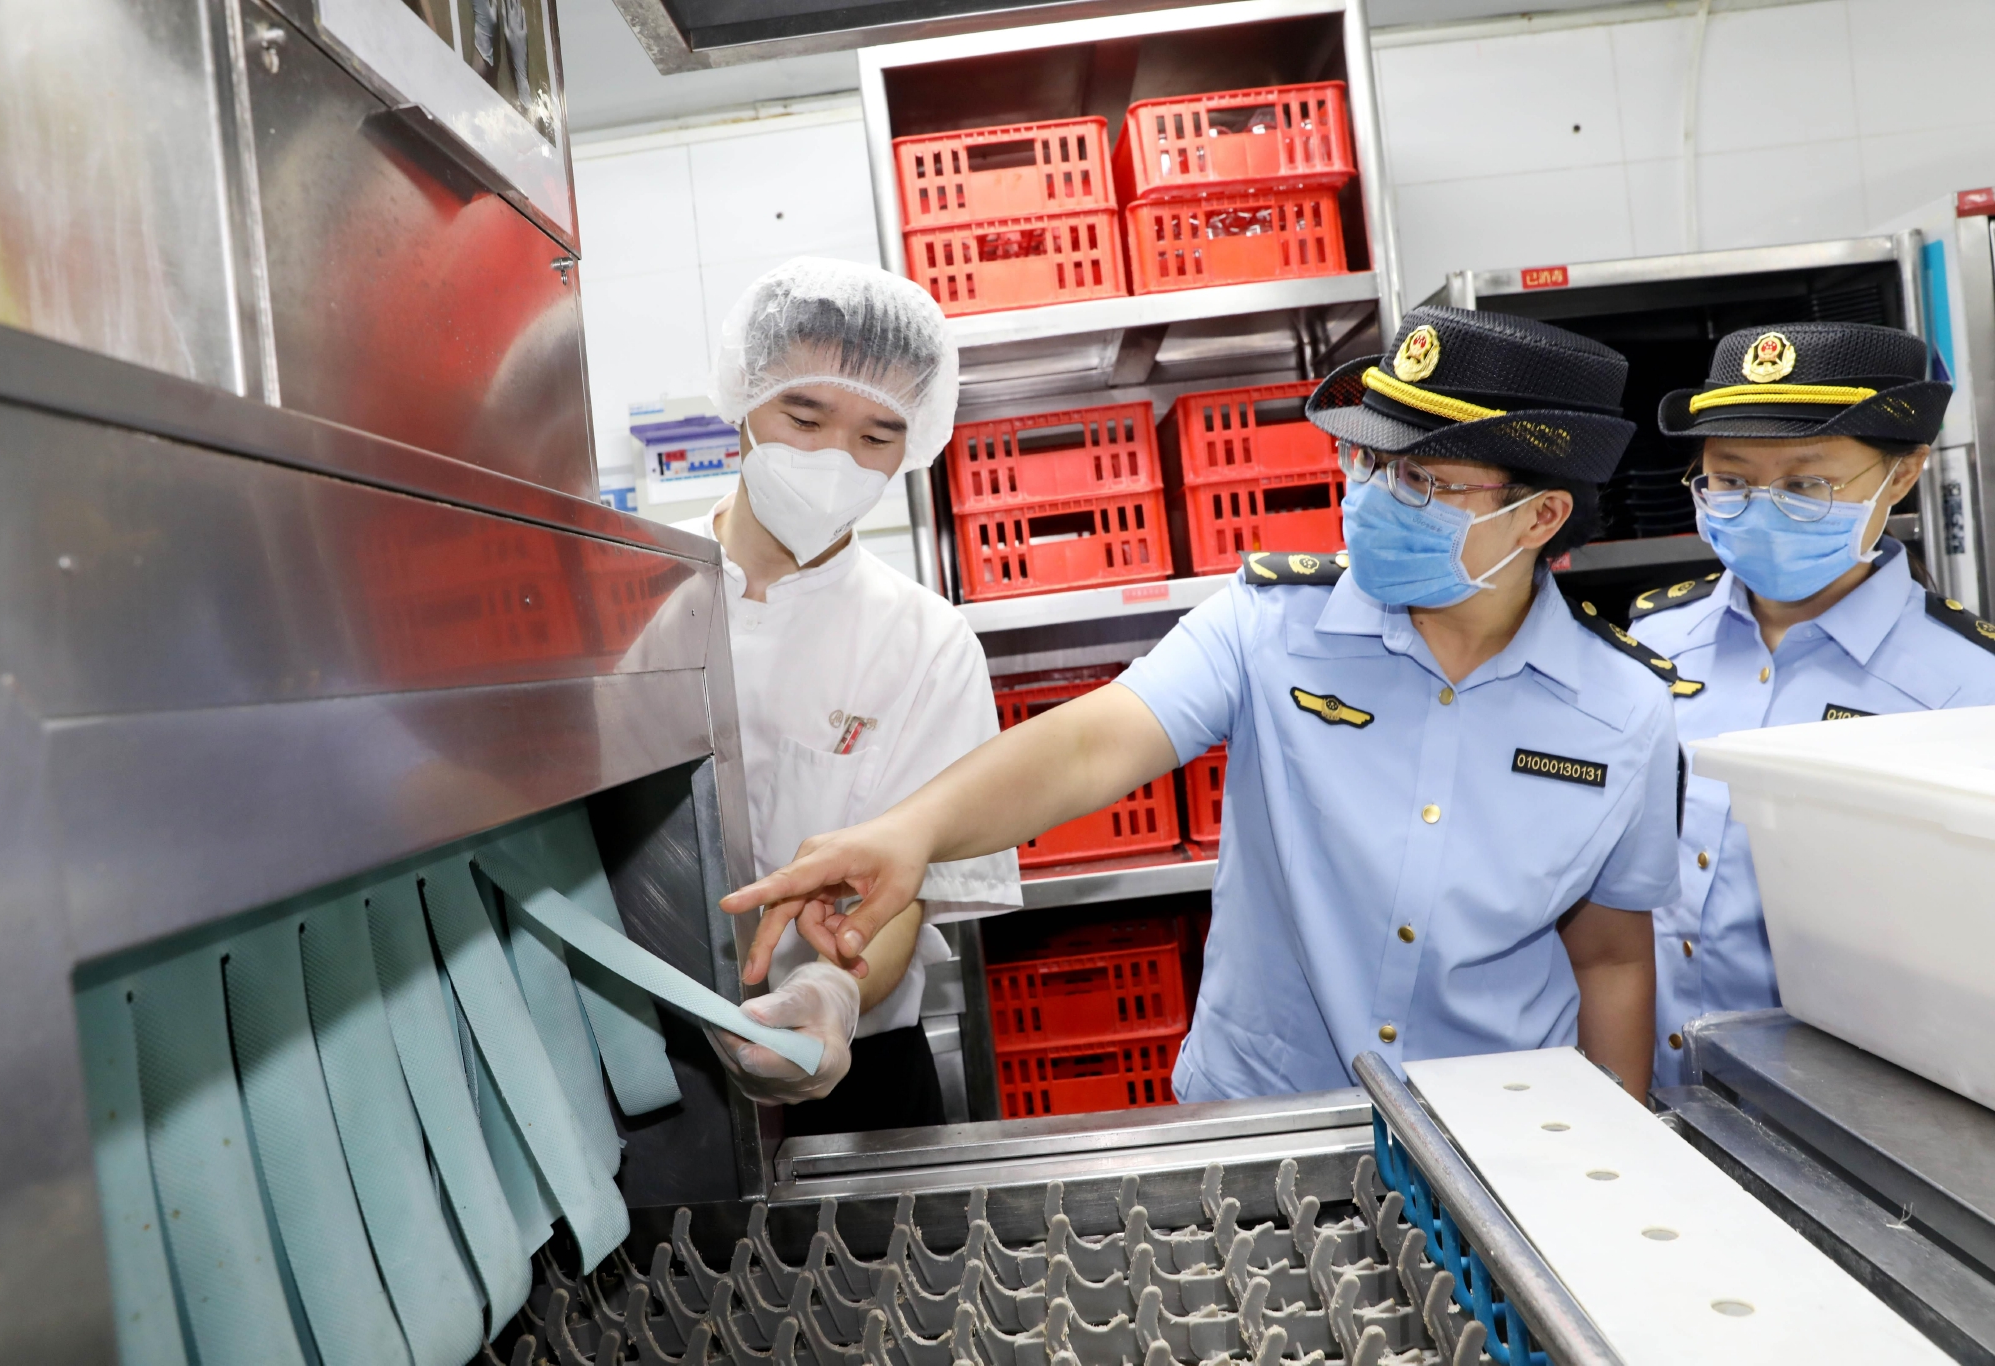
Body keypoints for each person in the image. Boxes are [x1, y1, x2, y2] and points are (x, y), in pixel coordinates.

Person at [722, 306, 1690, 1101]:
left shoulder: (1622, 711)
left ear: (1539, 514)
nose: (1374, 497)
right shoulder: (1272, 625)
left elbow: (1608, 956)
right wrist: (913, 831)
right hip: (1264, 1117)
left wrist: (1613, 1153)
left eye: (1421, 480)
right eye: (1368, 464)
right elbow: (1092, 745)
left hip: (1502, 1130)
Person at [693, 257, 1020, 1132]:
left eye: (876, 438)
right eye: (803, 416)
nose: (833, 459)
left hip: (857, 1065)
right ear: (745, 399)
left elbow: (914, 884)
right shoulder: (631, 590)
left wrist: (834, 989)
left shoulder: (924, 640)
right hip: (652, 1062)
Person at [1630, 321, 1995, 1087]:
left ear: (1901, 475)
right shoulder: (1655, 642)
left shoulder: (1965, 689)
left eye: (1805, 487)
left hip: (1842, 1113)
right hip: (1647, 1088)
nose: (1761, 509)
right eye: (1729, 482)